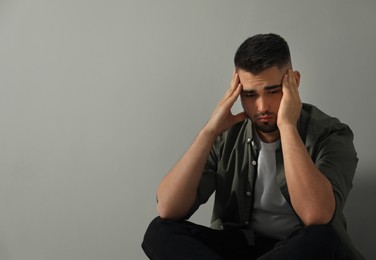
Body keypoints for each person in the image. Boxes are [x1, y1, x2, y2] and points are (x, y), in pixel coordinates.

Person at [142, 33, 364, 259]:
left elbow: (316, 215)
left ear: (293, 82)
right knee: (158, 231)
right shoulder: (226, 134)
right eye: (250, 94)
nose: (262, 106)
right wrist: (208, 132)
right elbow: (168, 208)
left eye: (272, 91)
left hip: (297, 251)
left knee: (324, 238)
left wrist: (287, 126)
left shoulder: (331, 134)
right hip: (240, 247)